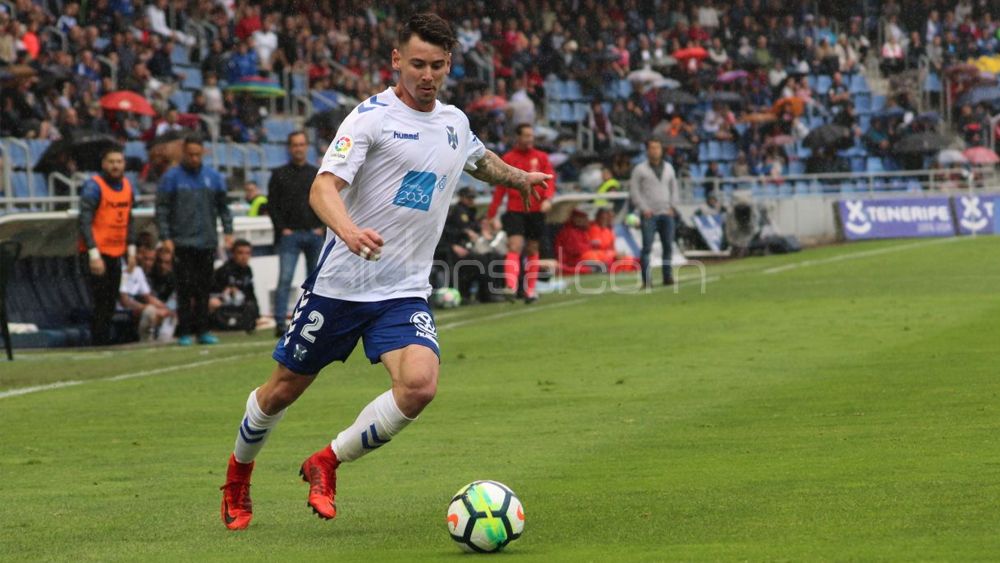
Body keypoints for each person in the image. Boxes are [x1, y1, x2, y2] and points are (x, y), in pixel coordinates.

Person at [218, 13, 552, 531]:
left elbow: (478, 160)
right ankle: (238, 474)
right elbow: (322, 188)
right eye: (417, 64)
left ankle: (326, 462)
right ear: (396, 60)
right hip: (340, 287)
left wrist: (517, 177)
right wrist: (349, 231)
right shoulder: (369, 119)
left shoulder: (454, 122)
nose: (427, 75)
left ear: (448, 65)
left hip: (403, 292)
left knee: (419, 386)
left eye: (437, 65)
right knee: (281, 390)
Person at [155, 136, 233, 346]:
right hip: (181, 242)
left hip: (207, 241)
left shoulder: (213, 177)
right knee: (184, 289)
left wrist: (228, 231)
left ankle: (203, 330)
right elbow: (162, 210)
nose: (194, 158)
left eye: (198, 154)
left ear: (203, 153)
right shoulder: (171, 178)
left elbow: (223, 207)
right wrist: (165, 237)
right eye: (190, 154)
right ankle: (184, 332)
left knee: (203, 289)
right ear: (184, 153)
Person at [486, 123, 556, 304]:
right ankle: (511, 286)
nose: (529, 139)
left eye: (531, 136)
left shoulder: (541, 157)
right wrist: (491, 215)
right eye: (526, 136)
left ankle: (530, 291)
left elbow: (549, 179)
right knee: (514, 246)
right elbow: (500, 188)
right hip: (515, 210)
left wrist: (548, 198)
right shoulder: (508, 158)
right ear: (518, 137)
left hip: (536, 210)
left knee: (533, 248)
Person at [77, 146, 137, 346]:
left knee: (111, 299)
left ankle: (104, 341)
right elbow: (84, 221)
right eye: (111, 162)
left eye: (119, 162)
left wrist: (131, 250)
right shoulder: (94, 187)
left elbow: (130, 219)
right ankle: (99, 342)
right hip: (97, 252)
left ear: (124, 164)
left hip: (116, 251)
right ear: (103, 164)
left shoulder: (128, 186)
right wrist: (93, 254)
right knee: (100, 300)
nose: (115, 166)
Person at [268, 130, 324, 336]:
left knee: (316, 282)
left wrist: (321, 226)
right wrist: (282, 229)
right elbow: (272, 205)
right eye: (295, 145)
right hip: (290, 236)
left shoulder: (316, 173)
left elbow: (325, 200)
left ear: (306, 147)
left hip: (314, 233)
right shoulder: (279, 174)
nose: (299, 148)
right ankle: (280, 323)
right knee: (285, 279)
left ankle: (310, 320)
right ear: (289, 148)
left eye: (302, 144)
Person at [630, 137, 678, 287]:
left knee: (668, 246)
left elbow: (674, 189)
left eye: (657, 148)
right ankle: (646, 279)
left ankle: (667, 276)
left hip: (666, 212)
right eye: (652, 148)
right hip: (649, 214)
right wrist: (643, 209)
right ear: (647, 150)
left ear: (661, 150)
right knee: (647, 247)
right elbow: (634, 191)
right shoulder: (640, 169)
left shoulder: (669, 168)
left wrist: (673, 207)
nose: (655, 151)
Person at [116, 245, 174, 342]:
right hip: (122, 310)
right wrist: (146, 307)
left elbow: (148, 297)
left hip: (135, 308)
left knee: (169, 312)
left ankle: (163, 338)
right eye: (145, 258)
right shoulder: (122, 270)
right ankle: (146, 338)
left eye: (151, 260)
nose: (148, 263)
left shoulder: (138, 271)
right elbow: (124, 301)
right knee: (150, 311)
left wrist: (166, 308)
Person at [209, 239, 259, 332]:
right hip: (224, 304)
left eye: (247, 253)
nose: (244, 257)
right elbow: (212, 293)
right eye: (240, 253)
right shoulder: (223, 271)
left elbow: (250, 294)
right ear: (233, 254)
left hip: (239, 305)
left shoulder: (248, 270)